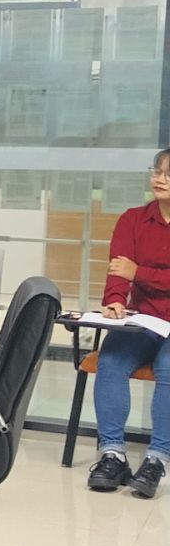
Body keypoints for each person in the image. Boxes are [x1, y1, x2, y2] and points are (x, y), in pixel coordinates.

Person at [86, 148, 170, 499]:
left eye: (169, 174)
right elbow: (118, 269)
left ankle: (156, 459)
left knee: (169, 369)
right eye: (157, 171)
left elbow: (132, 270)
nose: (160, 179)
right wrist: (115, 299)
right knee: (110, 361)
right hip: (144, 319)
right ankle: (112, 455)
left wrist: (140, 274)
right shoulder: (133, 219)